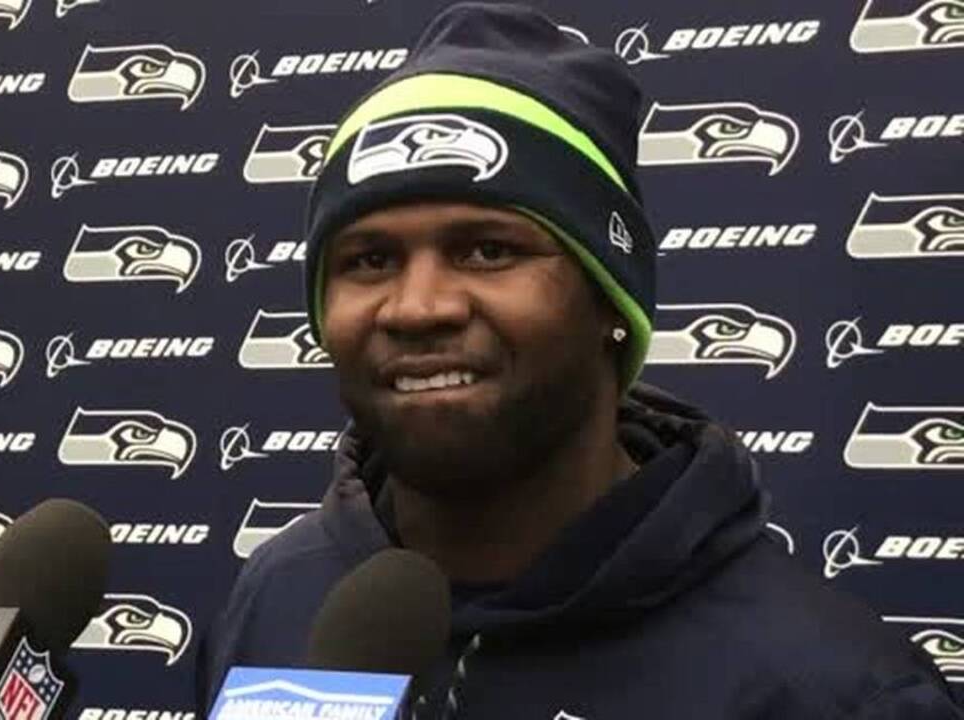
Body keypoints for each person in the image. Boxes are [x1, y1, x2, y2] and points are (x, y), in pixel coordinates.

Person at [198, 3, 964, 717]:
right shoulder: (279, 591)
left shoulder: (827, 685)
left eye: (489, 250)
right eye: (368, 260)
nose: (417, 306)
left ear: (611, 302)